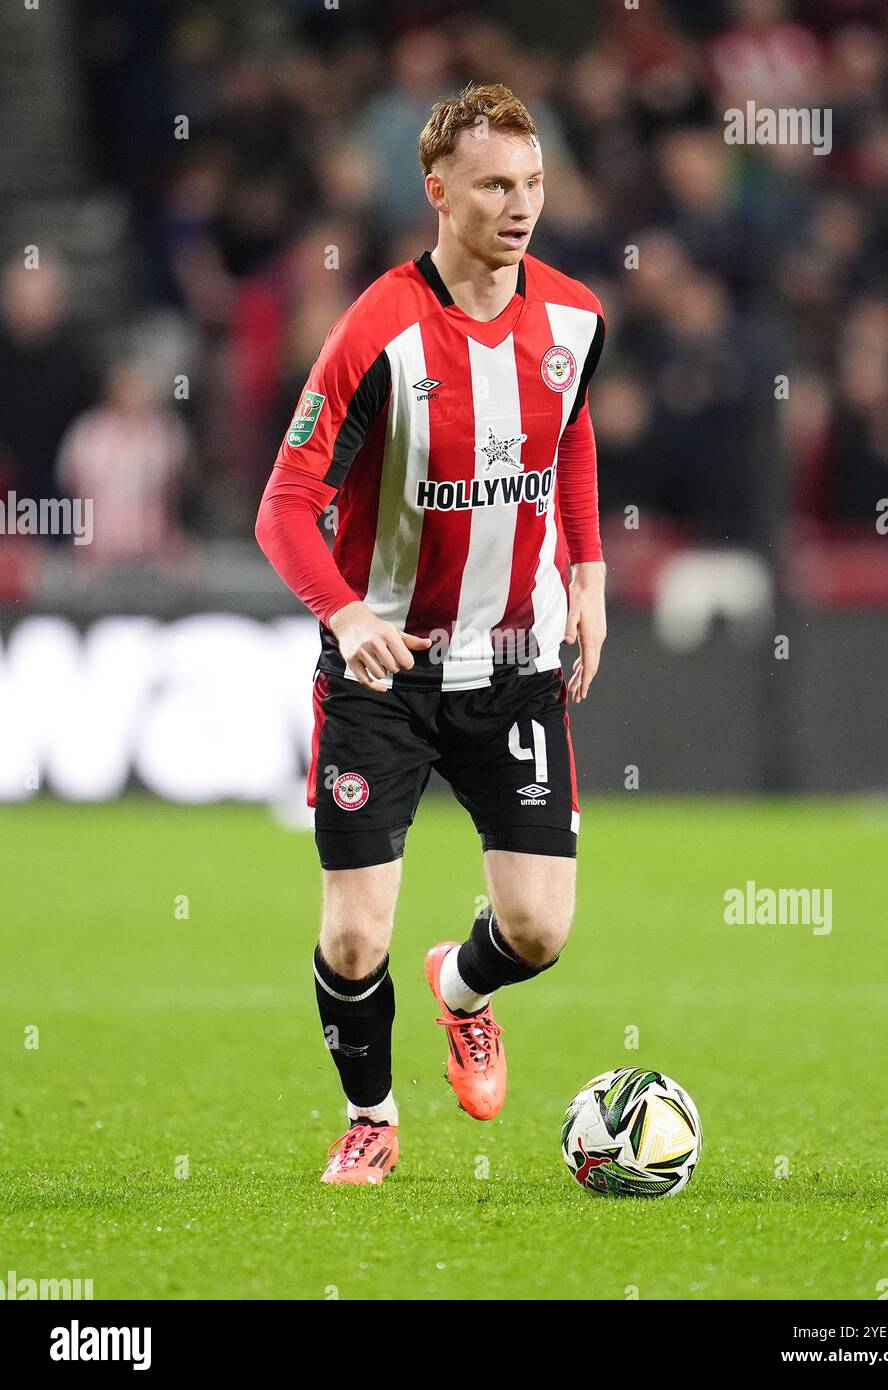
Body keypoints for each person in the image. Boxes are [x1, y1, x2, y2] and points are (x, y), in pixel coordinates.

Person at [255, 82, 606, 1185]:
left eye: (535, 183)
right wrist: (345, 610)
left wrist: (587, 576)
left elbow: (571, 431)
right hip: (385, 668)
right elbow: (284, 501)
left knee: (541, 930)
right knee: (354, 939)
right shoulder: (377, 330)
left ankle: (461, 985)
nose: (522, 205)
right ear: (438, 189)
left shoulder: (577, 320)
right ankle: (372, 1114)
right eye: (498, 184)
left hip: (512, 664)